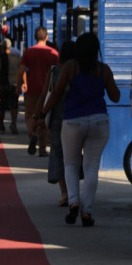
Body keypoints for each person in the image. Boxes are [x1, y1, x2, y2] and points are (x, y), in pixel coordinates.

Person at [38, 32, 120, 227]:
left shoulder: (70, 67)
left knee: (71, 164)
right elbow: (115, 96)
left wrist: (42, 114)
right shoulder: (103, 70)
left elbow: (57, 93)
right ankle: (87, 212)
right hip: (99, 121)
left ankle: (73, 202)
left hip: (73, 121)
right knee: (91, 167)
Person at [16, 27, 59, 157]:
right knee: (45, 118)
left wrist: (19, 85)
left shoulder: (29, 52)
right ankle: (42, 149)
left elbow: (21, 71)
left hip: (32, 89)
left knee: (30, 115)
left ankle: (32, 133)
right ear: (46, 38)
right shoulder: (54, 53)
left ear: (35, 37)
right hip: (48, 91)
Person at [43, 42, 76, 207]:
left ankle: (65, 193)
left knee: (58, 154)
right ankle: (74, 192)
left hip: (57, 118)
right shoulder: (81, 72)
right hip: (76, 116)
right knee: (75, 156)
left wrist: (40, 116)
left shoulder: (54, 72)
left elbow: (48, 94)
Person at [0, 38, 21, 135]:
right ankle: (13, 123)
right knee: (14, 106)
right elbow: (22, 71)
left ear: (2, 47)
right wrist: (22, 83)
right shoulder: (16, 58)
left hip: (1, 86)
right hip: (14, 85)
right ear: (10, 47)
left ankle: (1, 125)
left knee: (1, 107)